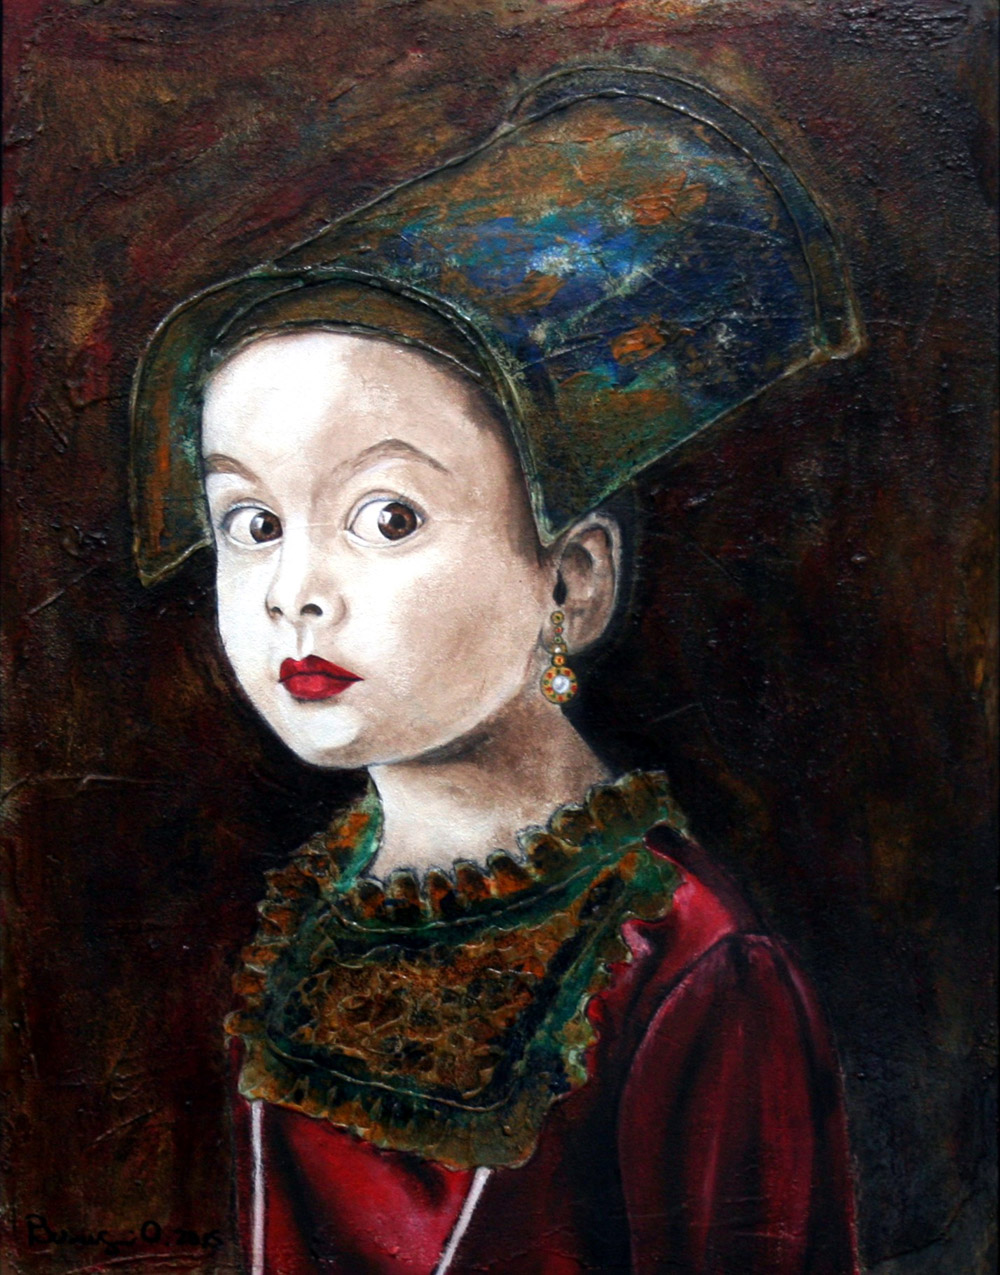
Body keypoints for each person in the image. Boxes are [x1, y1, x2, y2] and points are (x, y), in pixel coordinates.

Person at [131, 67, 863, 1274]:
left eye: (387, 518)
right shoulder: (325, 913)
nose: (292, 590)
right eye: (250, 524)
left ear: (570, 581)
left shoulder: (689, 972)